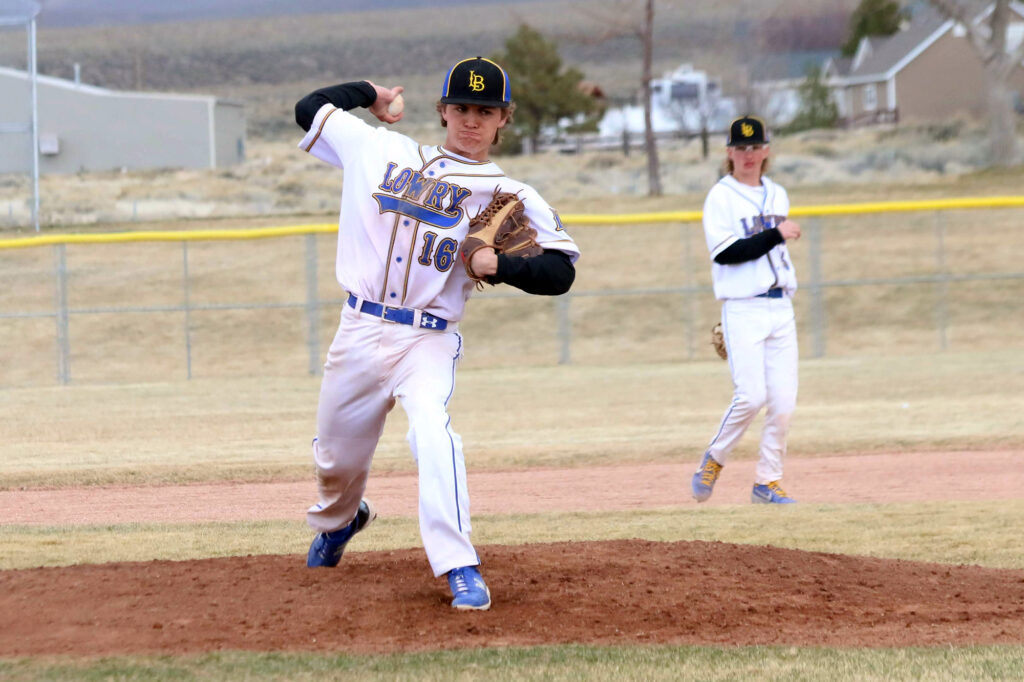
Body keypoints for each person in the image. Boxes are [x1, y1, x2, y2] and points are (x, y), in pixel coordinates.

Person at [293, 56, 580, 611]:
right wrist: (371, 91)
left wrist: (505, 266)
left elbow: (561, 272)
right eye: (462, 108)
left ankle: (459, 565)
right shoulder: (381, 149)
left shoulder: (511, 192)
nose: (471, 120)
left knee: (433, 433)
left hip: (426, 338)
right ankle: (342, 519)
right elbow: (309, 111)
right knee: (334, 462)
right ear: (443, 111)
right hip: (359, 327)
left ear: (504, 119)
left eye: (486, 111)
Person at [690, 115, 801, 505]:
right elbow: (727, 253)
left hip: (780, 307)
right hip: (742, 307)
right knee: (751, 397)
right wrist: (776, 233)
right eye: (741, 148)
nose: (748, 155)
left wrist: (776, 236)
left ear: (766, 151)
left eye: (755, 148)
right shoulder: (720, 196)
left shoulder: (778, 194)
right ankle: (714, 458)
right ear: (729, 153)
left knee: (784, 404)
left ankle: (766, 483)